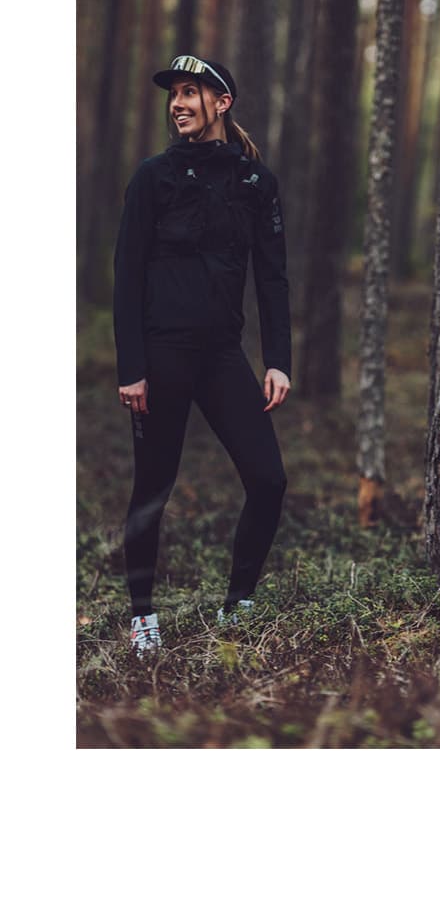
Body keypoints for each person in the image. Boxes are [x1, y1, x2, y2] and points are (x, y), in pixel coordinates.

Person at [113, 55, 291, 656]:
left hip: (221, 355)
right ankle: (143, 619)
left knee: (269, 479)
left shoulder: (254, 182)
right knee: (154, 488)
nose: (179, 104)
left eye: (191, 93)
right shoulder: (152, 177)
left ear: (222, 102)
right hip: (161, 355)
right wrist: (131, 369)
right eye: (174, 95)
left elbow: (272, 278)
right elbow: (126, 277)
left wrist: (278, 358)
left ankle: (239, 603)